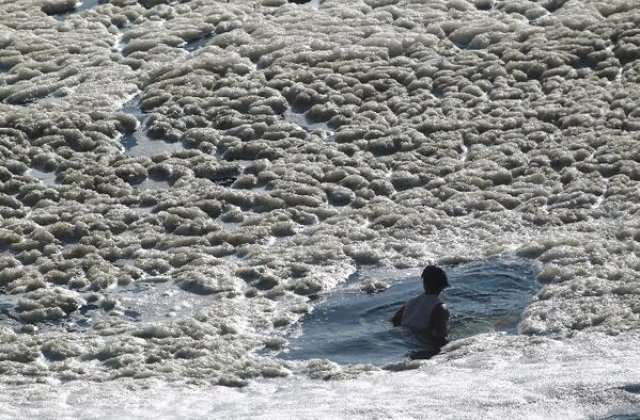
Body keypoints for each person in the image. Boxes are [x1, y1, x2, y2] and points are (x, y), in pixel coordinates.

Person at [391, 265, 450, 358]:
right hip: (426, 348)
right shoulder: (440, 307)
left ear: (424, 284)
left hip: (408, 345)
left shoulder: (410, 302)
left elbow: (395, 321)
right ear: (443, 285)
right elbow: (441, 337)